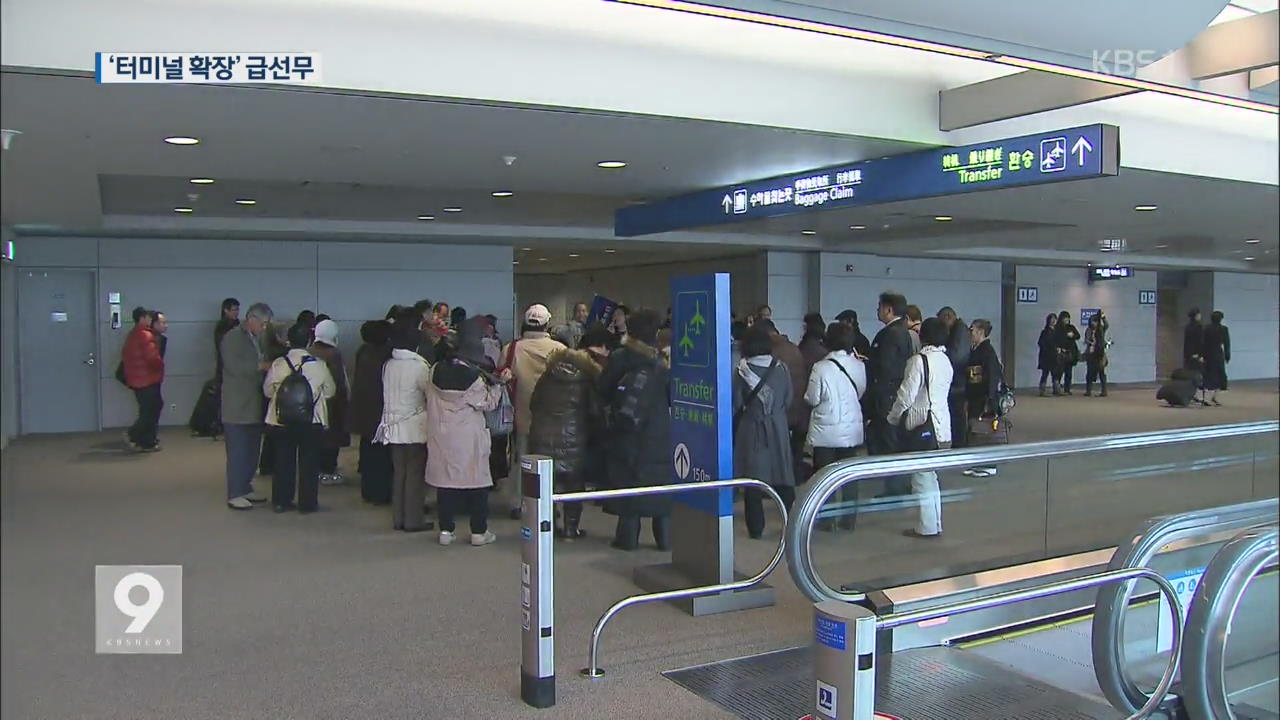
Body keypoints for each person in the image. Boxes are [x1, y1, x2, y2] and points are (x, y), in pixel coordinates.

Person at [427, 318, 506, 547]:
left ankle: (445, 530)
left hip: (441, 434)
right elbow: (489, 403)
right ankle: (478, 532)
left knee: (446, 484)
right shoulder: (473, 378)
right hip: (468, 437)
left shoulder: (434, 371)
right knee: (477, 485)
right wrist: (499, 385)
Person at [598, 308, 671, 551]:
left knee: (629, 482)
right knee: (660, 483)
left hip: (627, 427)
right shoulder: (663, 362)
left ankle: (627, 539)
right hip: (659, 427)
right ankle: (665, 539)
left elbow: (602, 389)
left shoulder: (621, 357)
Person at [527, 323, 608, 539]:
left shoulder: (547, 376)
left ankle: (548, 528)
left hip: (542, 438)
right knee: (574, 487)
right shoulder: (588, 380)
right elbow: (594, 413)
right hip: (573, 441)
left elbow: (533, 404)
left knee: (546, 488)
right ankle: (571, 530)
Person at [887, 318, 953, 539]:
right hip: (942, 425)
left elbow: (906, 396)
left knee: (921, 477)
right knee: (931, 475)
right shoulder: (945, 360)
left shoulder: (918, 361)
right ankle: (935, 522)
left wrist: (893, 417)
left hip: (922, 425)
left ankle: (927, 527)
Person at [501, 304, 567, 518]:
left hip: (521, 414)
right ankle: (551, 504)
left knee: (523, 459)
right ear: (547, 323)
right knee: (551, 461)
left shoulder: (511, 348)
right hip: (553, 417)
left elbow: (502, 374)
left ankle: (520, 504)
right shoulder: (559, 349)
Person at [263, 323, 336, 514]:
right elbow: (330, 391)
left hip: (281, 420)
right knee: (309, 462)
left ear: (289, 341)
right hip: (311, 421)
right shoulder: (318, 365)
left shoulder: (279, 364)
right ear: (309, 341)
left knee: (283, 461)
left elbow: (268, 391)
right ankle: (308, 503)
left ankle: (281, 501)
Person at [734, 324, 795, 539]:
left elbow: (736, 403)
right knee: (783, 476)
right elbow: (788, 399)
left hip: (752, 428)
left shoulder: (742, 371)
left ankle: (756, 528)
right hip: (778, 428)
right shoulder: (781, 368)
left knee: (753, 481)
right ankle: (794, 522)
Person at [804, 323, 866, 531]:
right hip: (851, 428)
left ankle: (826, 519)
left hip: (826, 431)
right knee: (848, 476)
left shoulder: (820, 367)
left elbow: (812, 398)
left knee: (824, 475)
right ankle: (849, 519)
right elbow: (861, 391)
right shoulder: (858, 365)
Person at [376, 318, 434, 532]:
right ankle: (413, 520)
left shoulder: (389, 364)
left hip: (391, 426)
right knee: (415, 475)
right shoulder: (419, 367)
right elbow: (429, 394)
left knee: (399, 473)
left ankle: (398, 518)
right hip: (415, 426)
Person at [221, 303, 274, 510]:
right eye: (263, 323)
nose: (264, 327)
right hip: (237, 405)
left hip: (253, 403)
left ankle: (245, 487)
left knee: (252, 450)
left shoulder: (256, 338)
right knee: (238, 451)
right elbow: (235, 367)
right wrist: (262, 366)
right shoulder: (233, 338)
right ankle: (234, 492)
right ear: (251, 319)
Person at [865, 292, 914, 496]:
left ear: (888, 309)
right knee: (893, 441)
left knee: (889, 443)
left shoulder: (890, 334)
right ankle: (897, 485)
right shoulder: (904, 332)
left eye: (879, 306)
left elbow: (884, 368)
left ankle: (895, 488)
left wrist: (867, 363)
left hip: (886, 398)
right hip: (894, 395)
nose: (877, 310)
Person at [758, 319, 809, 486]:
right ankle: (795, 477)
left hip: (781, 408)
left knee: (776, 450)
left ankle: (778, 483)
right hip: (798, 405)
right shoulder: (794, 347)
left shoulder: (770, 353)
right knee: (794, 450)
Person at [349, 320, 393, 504]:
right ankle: (381, 493)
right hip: (380, 411)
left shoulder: (363, 352)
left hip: (363, 409)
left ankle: (368, 490)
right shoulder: (387, 355)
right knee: (382, 455)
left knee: (367, 451)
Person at [308, 319, 350, 484]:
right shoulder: (334, 354)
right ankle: (328, 471)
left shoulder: (309, 350)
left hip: (312, 402)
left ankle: (315, 469)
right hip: (331, 401)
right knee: (332, 438)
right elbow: (340, 380)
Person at [122, 306, 164, 452]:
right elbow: (153, 359)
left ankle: (145, 441)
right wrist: (160, 365)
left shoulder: (133, 334)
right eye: (147, 317)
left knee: (148, 409)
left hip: (137, 378)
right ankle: (133, 434)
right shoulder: (145, 335)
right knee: (151, 410)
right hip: (147, 379)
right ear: (141, 319)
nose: (150, 320)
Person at [936, 307, 971, 448]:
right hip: (957, 382)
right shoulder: (958, 331)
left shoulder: (959, 332)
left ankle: (959, 445)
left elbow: (956, 357)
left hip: (957, 383)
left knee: (957, 417)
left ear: (948, 317)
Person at [966, 319, 1005, 420]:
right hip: (975, 395)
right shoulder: (977, 349)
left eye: (972, 330)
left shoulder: (987, 351)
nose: (970, 333)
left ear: (980, 332)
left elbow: (993, 375)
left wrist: (990, 398)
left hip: (982, 397)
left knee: (980, 427)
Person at [1202, 311, 1231, 405]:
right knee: (1220, 375)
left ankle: (1207, 397)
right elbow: (1227, 344)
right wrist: (1227, 356)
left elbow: (1203, 342)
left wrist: (1202, 355)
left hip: (1208, 354)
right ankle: (1214, 397)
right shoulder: (1224, 329)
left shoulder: (1206, 328)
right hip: (1218, 353)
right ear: (1221, 319)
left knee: (1209, 375)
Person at [1183, 308, 1207, 405]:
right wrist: (1201, 354)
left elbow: (1187, 342)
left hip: (1188, 354)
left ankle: (1191, 394)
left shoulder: (1187, 327)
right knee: (1199, 374)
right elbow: (1200, 342)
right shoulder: (1199, 327)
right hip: (1196, 354)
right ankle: (1198, 394)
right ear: (1197, 315)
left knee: (1190, 374)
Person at [1083, 311, 1110, 397]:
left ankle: (1104, 391)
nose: (1093, 323)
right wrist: (1090, 342)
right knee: (1089, 372)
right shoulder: (1089, 330)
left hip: (1100, 352)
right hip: (1091, 353)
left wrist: (1103, 317)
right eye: (1092, 321)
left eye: (1095, 321)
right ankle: (1088, 390)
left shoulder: (1101, 329)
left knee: (1101, 372)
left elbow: (1107, 325)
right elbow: (1086, 339)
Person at [1055, 311, 1081, 395]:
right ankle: (1057, 388)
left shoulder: (1071, 327)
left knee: (1068, 372)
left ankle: (1067, 389)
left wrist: (1072, 335)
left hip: (1070, 352)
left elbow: (1078, 336)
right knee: (1059, 371)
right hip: (1061, 352)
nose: (1066, 320)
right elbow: (1056, 339)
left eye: (1068, 318)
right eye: (1065, 318)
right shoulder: (1057, 328)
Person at [1037, 313, 1061, 396]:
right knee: (1045, 373)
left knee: (1055, 373)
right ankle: (1042, 391)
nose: (1054, 321)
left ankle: (1057, 389)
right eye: (1052, 319)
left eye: (1055, 319)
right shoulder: (1045, 332)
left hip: (1054, 355)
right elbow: (1041, 343)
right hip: (1046, 356)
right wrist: (1048, 349)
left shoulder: (1056, 331)